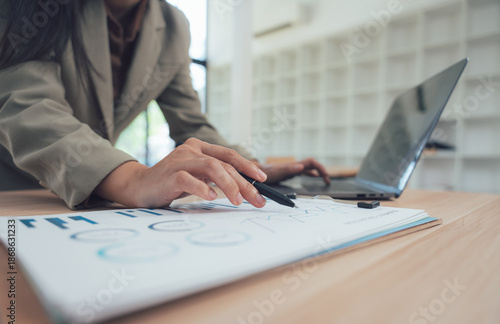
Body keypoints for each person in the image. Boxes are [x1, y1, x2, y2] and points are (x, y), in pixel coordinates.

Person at [0, 0, 329, 210]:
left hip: (87, 194)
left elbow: (191, 123)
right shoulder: (34, 9)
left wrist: (247, 168)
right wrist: (133, 180)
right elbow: (28, 107)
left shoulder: (174, 25)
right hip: (13, 192)